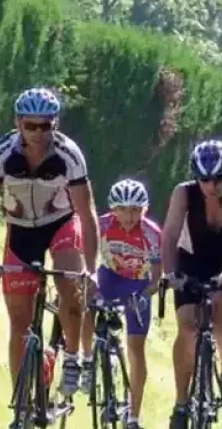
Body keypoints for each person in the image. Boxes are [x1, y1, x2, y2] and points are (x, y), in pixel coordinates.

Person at [0, 87, 100, 398]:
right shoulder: (1, 155)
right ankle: (21, 401)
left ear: (55, 124)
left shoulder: (69, 155)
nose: (39, 133)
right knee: (19, 324)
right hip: (20, 231)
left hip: (61, 224)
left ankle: (72, 358)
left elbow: (86, 212)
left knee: (72, 284)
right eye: (31, 126)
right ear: (18, 124)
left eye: (46, 126)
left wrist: (92, 269)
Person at [160, 140, 222, 429]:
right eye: (203, 179)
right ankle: (181, 403)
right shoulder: (184, 193)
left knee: (221, 297)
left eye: (217, 178)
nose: (210, 185)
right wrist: (170, 273)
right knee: (188, 325)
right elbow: (169, 236)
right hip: (191, 259)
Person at [79, 179, 161, 429]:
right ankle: (87, 360)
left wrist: (145, 294)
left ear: (144, 210)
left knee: (136, 348)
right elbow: (85, 257)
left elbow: (157, 277)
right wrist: (87, 279)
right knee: (88, 303)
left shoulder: (151, 232)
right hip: (109, 278)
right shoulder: (102, 224)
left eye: (135, 210)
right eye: (123, 209)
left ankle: (133, 417)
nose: (129, 215)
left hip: (137, 284)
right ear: (113, 209)